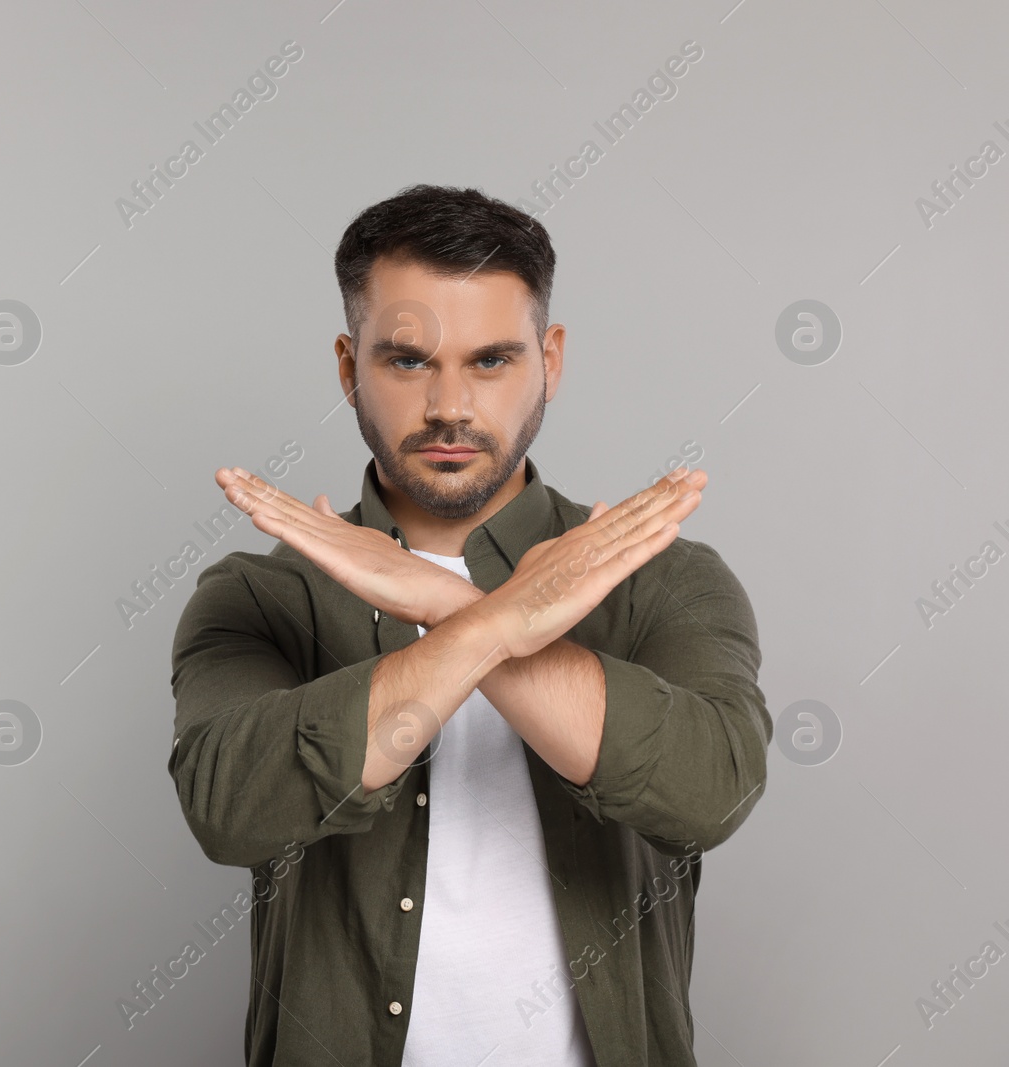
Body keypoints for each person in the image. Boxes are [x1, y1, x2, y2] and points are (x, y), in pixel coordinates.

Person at [168, 184, 770, 1067]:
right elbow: (231, 807)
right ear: (348, 366)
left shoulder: (662, 579)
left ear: (550, 360)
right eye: (408, 361)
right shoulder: (260, 597)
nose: (450, 406)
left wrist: (446, 605)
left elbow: (709, 788)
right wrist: (499, 622)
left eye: (491, 361)